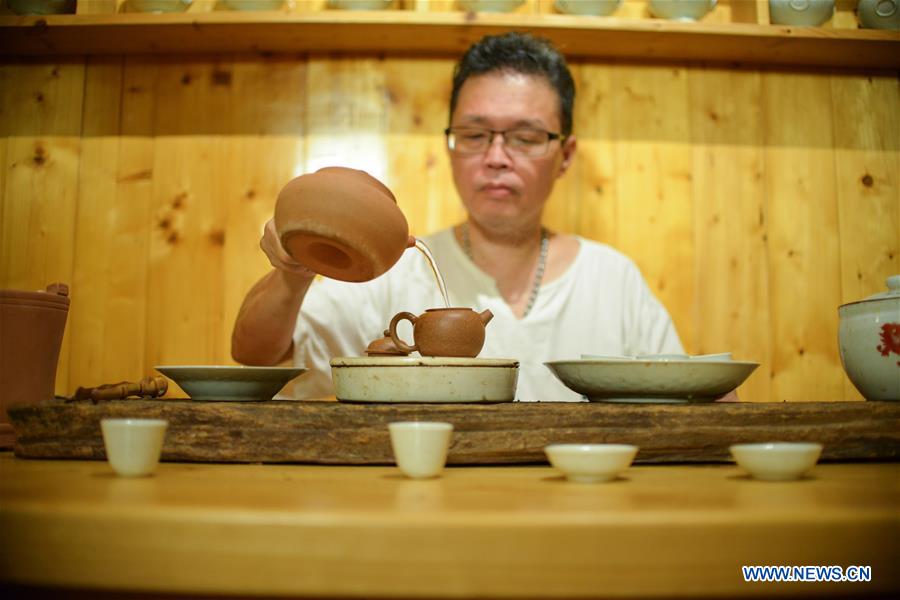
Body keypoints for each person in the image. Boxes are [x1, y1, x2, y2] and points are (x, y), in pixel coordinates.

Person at [231, 32, 684, 402]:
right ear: (449, 147)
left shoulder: (613, 280)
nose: (496, 157)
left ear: (565, 156)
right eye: (474, 134)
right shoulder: (393, 271)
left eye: (525, 137)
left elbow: (682, 397)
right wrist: (292, 273)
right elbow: (256, 355)